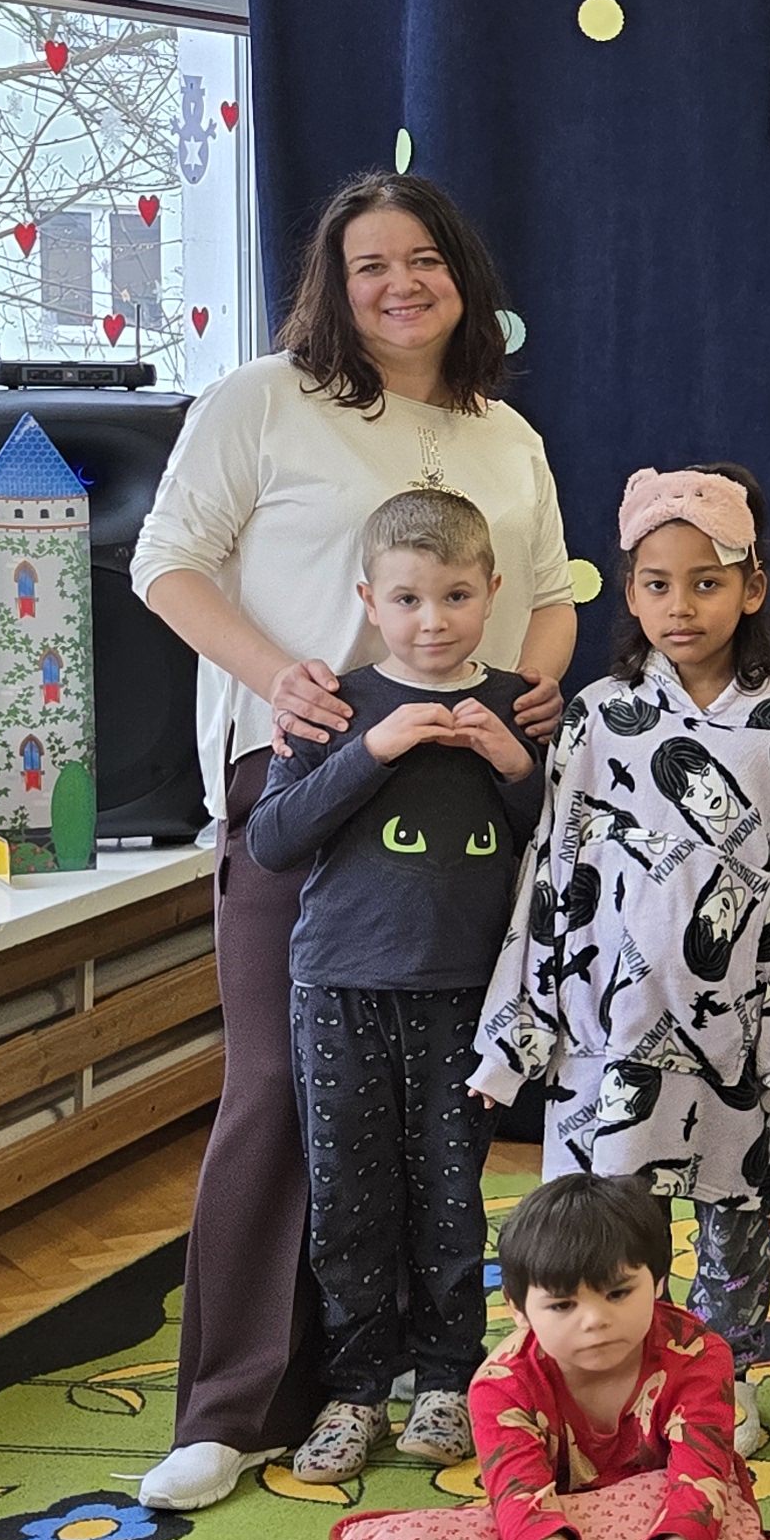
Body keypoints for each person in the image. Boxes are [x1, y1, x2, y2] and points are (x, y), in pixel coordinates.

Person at [133, 171, 572, 1510]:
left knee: (445, 1112)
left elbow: (548, 592)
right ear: (332, 283)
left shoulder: (505, 434)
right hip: (309, 779)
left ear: (461, 276)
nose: (398, 284)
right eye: (369, 263)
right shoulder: (261, 400)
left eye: (422, 259)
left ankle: (409, 1370)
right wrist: (278, 676)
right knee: (278, 1082)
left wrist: (539, 684)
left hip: (468, 804)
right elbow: (166, 562)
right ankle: (233, 1408)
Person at [472, 464, 770, 1420]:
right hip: (613, 1022)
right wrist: (522, 1029)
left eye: (706, 582)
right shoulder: (599, 714)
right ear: (630, 591)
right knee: (608, 1228)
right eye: (656, 584)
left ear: (751, 587)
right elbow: (554, 870)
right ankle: (609, 1387)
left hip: (741, 1027)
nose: (680, 606)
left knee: (738, 1219)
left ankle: (720, 1388)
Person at [238, 487, 543, 1482]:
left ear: (492, 592)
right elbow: (272, 841)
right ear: (370, 600)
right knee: (350, 1195)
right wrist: (373, 749)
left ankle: (448, 1377)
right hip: (340, 988)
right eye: (408, 599)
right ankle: (357, 1387)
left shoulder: (521, 706)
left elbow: (570, 841)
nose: (432, 621)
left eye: (456, 597)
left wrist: (516, 765)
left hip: (468, 995)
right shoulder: (332, 707)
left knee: (452, 1191)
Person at [469, 1173, 770, 1540]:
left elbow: (700, 1485)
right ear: (517, 1309)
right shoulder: (502, 1385)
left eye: (618, 1293)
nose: (594, 1320)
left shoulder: (698, 1356)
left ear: (659, 1282)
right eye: (562, 1304)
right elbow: (520, 1505)